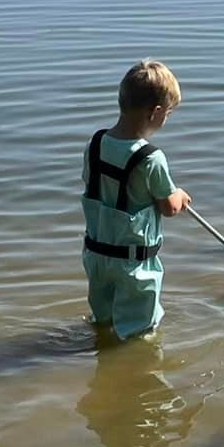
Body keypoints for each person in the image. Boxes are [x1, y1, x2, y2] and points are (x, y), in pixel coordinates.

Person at [83, 60, 190, 340]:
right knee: (139, 335)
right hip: (134, 266)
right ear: (155, 113)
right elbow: (168, 208)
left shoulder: (96, 144)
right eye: (168, 113)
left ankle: (99, 352)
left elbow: (92, 185)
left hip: (96, 255)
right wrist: (178, 195)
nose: (166, 119)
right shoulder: (151, 158)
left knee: (102, 321)